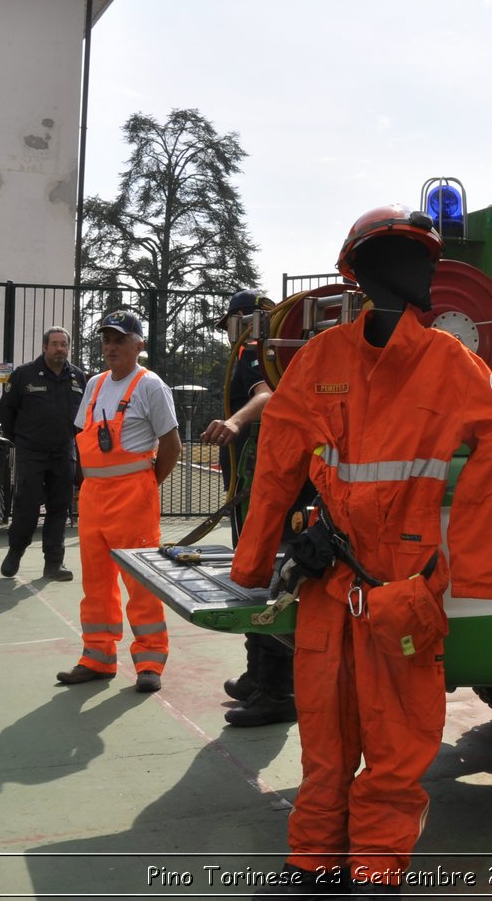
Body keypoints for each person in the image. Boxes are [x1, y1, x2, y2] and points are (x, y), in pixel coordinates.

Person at [231, 205, 492, 896]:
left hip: (402, 581)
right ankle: (313, 862)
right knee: (325, 734)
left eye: (416, 260)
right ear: (363, 274)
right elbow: (277, 457)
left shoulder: (450, 362)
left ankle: (375, 871)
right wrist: (268, 549)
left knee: (396, 741)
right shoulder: (323, 358)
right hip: (330, 575)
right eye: (398, 260)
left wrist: (476, 562)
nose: (410, 274)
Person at [56, 310, 181, 693]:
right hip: (94, 499)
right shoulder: (94, 385)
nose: (111, 347)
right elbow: (84, 442)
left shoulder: (151, 386)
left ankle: (149, 662)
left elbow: (171, 446)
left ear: (138, 345)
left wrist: (145, 486)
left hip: (133, 499)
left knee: (141, 583)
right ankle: (97, 657)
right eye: (106, 340)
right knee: (96, 583)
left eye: (120, 340)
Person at [200, 289, 298, 728]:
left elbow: (267, 396)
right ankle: (258, 676)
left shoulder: (253, 347)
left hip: (263, 484)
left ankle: (276, 690)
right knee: (255, 574)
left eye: (230, 324)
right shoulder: (275, 349)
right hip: (258, 481)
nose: (229, 335)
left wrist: (236, 421)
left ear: (242, 320)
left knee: (264, 577)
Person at [0, 327, 87, 581]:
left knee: (59, 509)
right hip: (32, 454)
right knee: (27, 506)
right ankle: (15, 552)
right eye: (55, 344)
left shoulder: (78, 377)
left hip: (64, 454)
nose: (60, 349)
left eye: (64, 344)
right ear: (44, 347)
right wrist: (22, 443)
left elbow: (83, 418)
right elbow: (6, 414)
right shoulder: (24, 375)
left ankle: (53, 564)